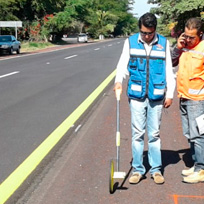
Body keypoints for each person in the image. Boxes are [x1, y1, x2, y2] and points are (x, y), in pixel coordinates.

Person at [114, 12, 175, 184]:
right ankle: (138, 169)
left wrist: (169, 94)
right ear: (140, 29)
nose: (147, 36)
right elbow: (122, 65)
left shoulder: (163, 43)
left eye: (150, 33)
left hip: (156, 95)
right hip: (136, 96)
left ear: (155, 29)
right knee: (137, 133)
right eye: (144, 33)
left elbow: (169, 71)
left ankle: (156, 169)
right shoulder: (131, 42)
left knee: (154, 134)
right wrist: (119, 81)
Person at [171, 17, 204, 184]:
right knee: (190, 134)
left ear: (201, 34)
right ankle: (196, 164)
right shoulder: (184, 46)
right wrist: (178, 47)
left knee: (199, 135)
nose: (188, 40)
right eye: (186, 36)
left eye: (192, 37)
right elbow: (170, 61)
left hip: (198, 100)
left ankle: (201, 169)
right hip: (184, 97)